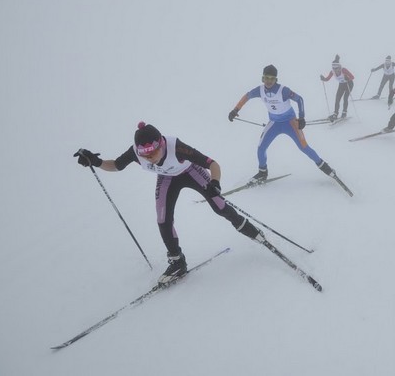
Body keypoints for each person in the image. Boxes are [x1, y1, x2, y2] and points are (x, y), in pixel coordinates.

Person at [74, 122, 268, 285]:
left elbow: (212, 164)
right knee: (163, 219)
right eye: (144, 155)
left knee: (219, 206)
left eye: (152, 153)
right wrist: (95, 161)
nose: (148, 158)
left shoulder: (176, 147)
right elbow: (116, 165)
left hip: (191, 172)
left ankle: (251, 230)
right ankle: (177, 262)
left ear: (161, 145)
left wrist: (215, 182)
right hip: (167, 178)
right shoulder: (136, 152)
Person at [228, 64, 337, 183]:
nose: (269, 81)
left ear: (276, 79)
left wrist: (301, 118)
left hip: (291, 123)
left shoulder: (283, 90)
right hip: (274, 123)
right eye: (266, 78)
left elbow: (299, 99)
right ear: (262, 78)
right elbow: (246, 96)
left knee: (304, 147)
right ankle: (262, 173)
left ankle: (326, 168)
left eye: (272, 78)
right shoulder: (259, 90)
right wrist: (235, 110)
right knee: (261, 148)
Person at [320, 55, 355, 121]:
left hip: (349, 84)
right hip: (341, 85)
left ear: (339, 66)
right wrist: (323, 79)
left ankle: (344, 112)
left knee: (345, 98)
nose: (335, 69)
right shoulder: (332, 72)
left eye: (336, 67)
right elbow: (327, 79)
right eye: (333, 67)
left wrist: (348, 78)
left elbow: (352, 77)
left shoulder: (343, 70)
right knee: (337, 99)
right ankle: (335, 114)